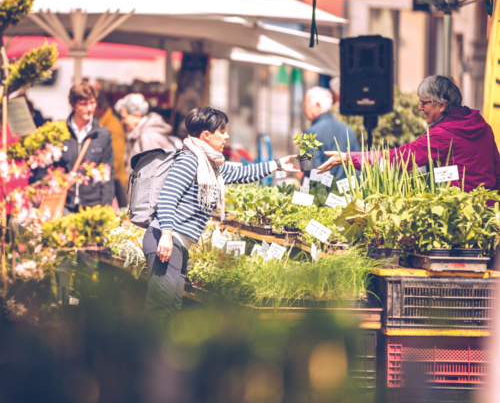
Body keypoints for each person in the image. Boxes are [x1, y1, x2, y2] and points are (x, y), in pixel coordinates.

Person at [142, 106, 300, 329]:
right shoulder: (190, 160)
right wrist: (166, 236)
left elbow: (241, 174)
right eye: (222, 131)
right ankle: (144, 359)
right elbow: (168, 197)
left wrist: (277, 164)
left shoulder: (209, 164)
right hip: (166, 240)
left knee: (171, 307)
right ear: (207, 135)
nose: (226, 136)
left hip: (177, 243)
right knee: (160, 309)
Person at [318, 75, 500, 193]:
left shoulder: (444, 134)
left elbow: (399, 158)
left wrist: (349, 157)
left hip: (460, 213)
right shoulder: (482, 126)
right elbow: (497, 171)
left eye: (424, 102)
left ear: (442, 105)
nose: (420, 107)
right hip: (487, 210)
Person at [60, 82, 114, 213]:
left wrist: (105, 207)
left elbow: (108, 173)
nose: (89, 109)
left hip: (92, 205)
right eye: (83, 104)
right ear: (73, 105)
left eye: (92, 103)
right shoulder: (61, 132)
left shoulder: (103, 134)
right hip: (65, 205)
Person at [114, 93, 181, 176]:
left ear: (137, 115)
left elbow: (153, 174)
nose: (122, 121)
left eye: (124, 117)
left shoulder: (148, 136)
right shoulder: (139, 133)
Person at [304, 86, 360, 179]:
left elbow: (311, 170)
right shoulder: (348, 130)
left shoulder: (311, 132)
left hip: (323, 192)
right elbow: (358, 165)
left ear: (318, 105)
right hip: (348, 191)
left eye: (306, 105)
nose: (304, 110)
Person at [94, 93, 128, 206]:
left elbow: (117, 157)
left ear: (101, 108)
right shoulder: (102, 122)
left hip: (116, 180)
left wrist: (106, 175)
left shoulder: (112, 125)